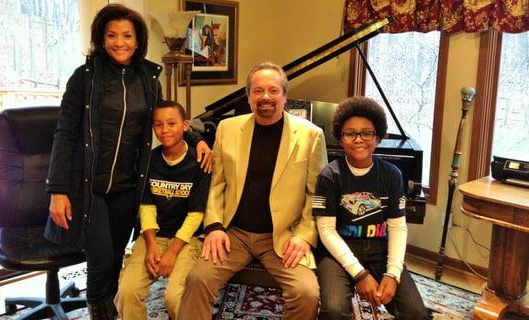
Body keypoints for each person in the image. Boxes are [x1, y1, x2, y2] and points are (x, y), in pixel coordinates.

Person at [43, 3, 212, 320]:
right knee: (102, 260)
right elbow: (64, 134)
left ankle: (109, 307)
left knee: (116, 255)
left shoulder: (149, 79)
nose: (119, 42)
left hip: (127, 188)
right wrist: (57, 189)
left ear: (138, 40)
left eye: (127, 35)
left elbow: (169, 121)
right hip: (89, 188)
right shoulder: (84, 78)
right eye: (111, 35)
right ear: (100, 39)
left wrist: (197, 139)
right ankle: (101, 312)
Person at [177, 62, 328, 320]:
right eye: (258, 91)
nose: (265, 97)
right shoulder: (228, 128)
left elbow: (318, 194)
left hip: (282, 235)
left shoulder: (311, 135)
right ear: (248, 97)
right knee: (198, 279)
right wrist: (213, 226)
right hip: (234, 233)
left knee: (306, 292)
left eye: (273, 90)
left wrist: (304, 235)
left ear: (285, 96)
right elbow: (216, 185)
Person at [312, 96, 428, 320]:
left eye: (367, 133)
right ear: (341, 138)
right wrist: (359, 274)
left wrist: (393, 274)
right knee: (334, 310)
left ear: (378, 137)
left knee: (415, 313)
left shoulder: (392, 175)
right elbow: (326, 231)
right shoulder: (329, 176)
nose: (359, 139)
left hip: (380, 249)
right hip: (337, 251)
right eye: (350, 133)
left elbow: (397, 227)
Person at [115, 100, 210, 319]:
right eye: (158, 125)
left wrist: (172, 252)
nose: (165, 130)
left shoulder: (200, 162)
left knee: (175, 297)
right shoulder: (149, 161)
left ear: (185, 125)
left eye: (171, 123)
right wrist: (150, 246)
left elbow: (196, 215)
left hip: (188, 239)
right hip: (155, 234)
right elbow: (146, 206)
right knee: (127, 291)